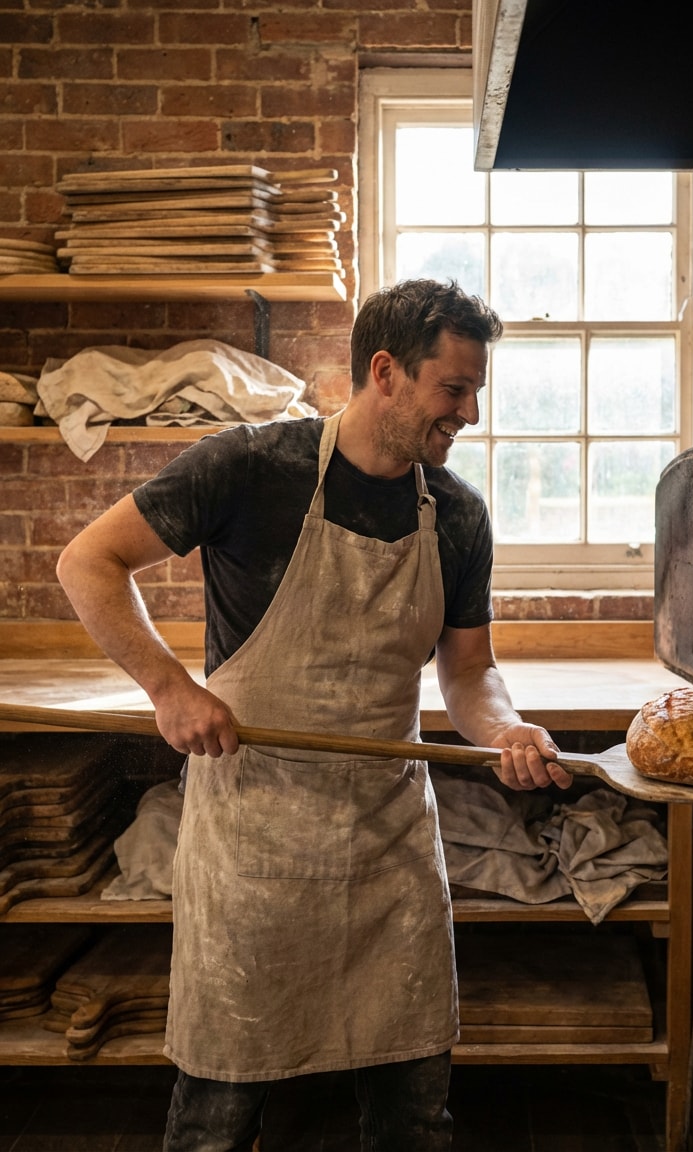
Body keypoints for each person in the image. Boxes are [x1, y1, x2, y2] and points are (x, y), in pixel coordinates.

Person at [56, 278, 572, 1152]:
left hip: (388, 848)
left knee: (413, 1118)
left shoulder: (456, 515)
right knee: (217, 1118)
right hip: (256, 845)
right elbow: (87, 561)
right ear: (386, 372)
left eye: (475, 391)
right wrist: (170, 688)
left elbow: (470, 673)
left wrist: (506, 731)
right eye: (454, 389)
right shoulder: (249, 468)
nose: (471, 414)